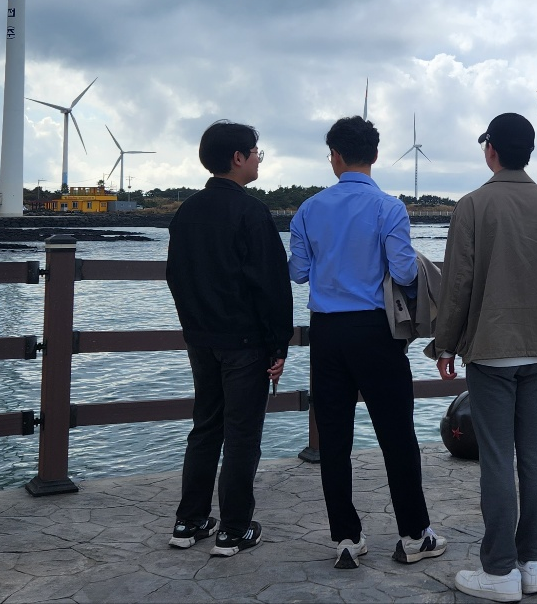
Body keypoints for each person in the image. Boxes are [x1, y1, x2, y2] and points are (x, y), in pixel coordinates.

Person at [431, 113, 537, 603]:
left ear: (490, 149)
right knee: (535, 456)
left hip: (492, 348)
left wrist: (445, 343)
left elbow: (458, 283)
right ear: (529, 152)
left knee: (497, 458)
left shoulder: (472, 205)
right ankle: (530, 563)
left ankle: (498, 570)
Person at [289, 116, 446, 570]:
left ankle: (346, 537)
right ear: (375, 155)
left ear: (334, 157)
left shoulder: (308, 209)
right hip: (377, 331)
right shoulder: (388, 208)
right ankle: (414, 535)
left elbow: (298, 272)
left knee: (334, 438)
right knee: (397, 435)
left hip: (327, 332)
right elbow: (404, 271)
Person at [165, 120, 292, 556]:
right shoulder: (251, 212)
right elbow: (271, 286)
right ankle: (234, 529)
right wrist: (278, 345)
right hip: (244, 343)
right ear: (238, 158)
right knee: (241, 435)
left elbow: (175, 277)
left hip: (201, 340)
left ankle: (190, 521)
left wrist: (193, 327)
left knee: (205, 427)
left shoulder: (185, 212)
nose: (258, 159)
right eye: (256, 152)